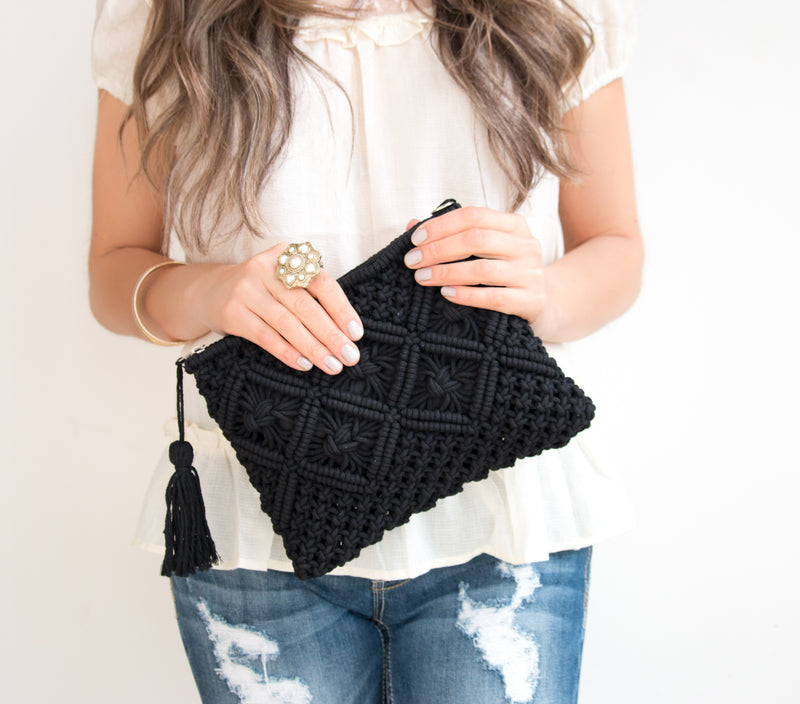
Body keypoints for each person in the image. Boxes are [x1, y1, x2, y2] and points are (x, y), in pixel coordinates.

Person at [89, 0, 642, 701]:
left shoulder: (554, 11)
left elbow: (615, 246)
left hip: (504, 524)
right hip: (256, 535)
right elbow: (113, 270)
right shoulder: (165, 15)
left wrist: (544, 292)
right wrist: (210, 291)